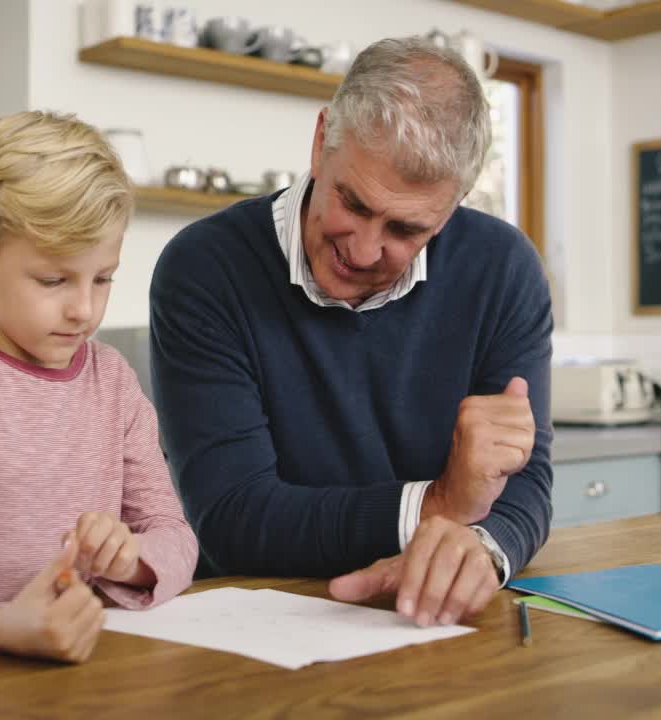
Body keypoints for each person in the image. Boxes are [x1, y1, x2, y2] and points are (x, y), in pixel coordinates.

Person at [149, 37, 553, 628]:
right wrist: (439, 506)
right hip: (249, 632)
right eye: (352, 202)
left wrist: (486, 549)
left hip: (433, 623)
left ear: (454, 205)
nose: (363, 250)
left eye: (406, 228)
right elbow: (234, 518)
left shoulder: (502, 269)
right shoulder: (206, 269)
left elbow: (526, 482)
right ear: (321, 141)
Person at [0, 111, 198, 662]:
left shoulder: (113, 380)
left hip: (88, 667)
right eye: (53, 280)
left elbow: (175, 537)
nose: (84, 309)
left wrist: (130, 560)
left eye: (102, 278)